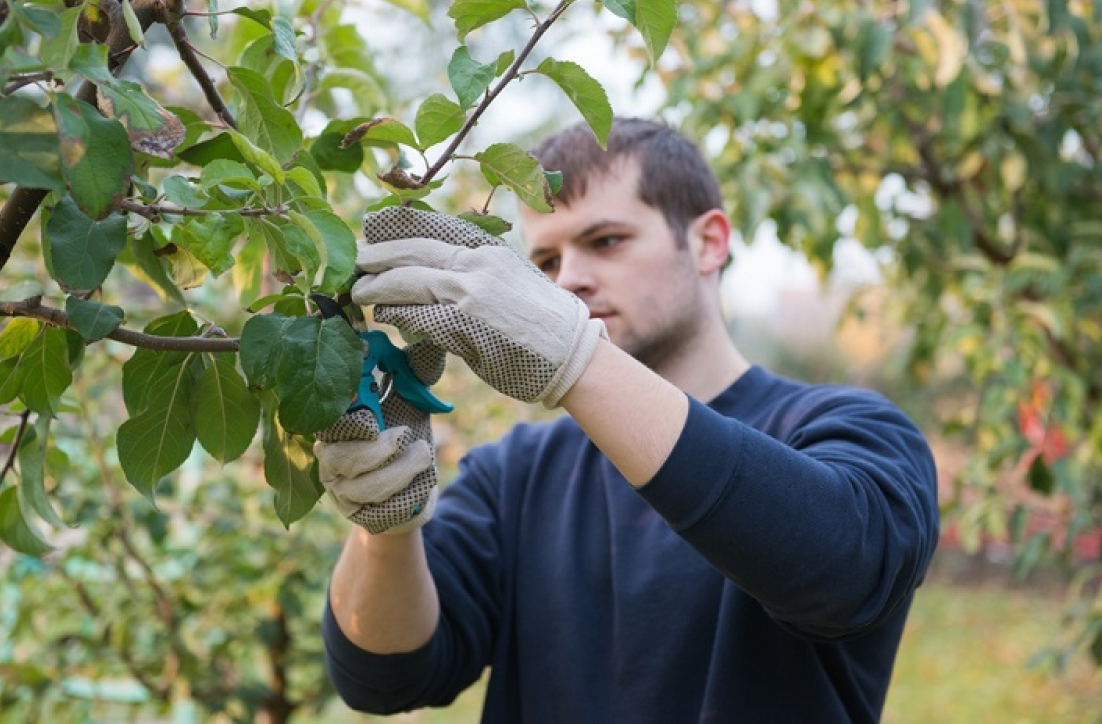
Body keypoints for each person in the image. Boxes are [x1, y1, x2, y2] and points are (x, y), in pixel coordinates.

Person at [315, 118, 940, 722]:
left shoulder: (851, 429)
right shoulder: (514, 475)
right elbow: (385, 677)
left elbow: (845, 573)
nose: (572, 281)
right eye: (547, 262)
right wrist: (386, 528)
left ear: (709, 241)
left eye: (606, 240)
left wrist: (576, 359)